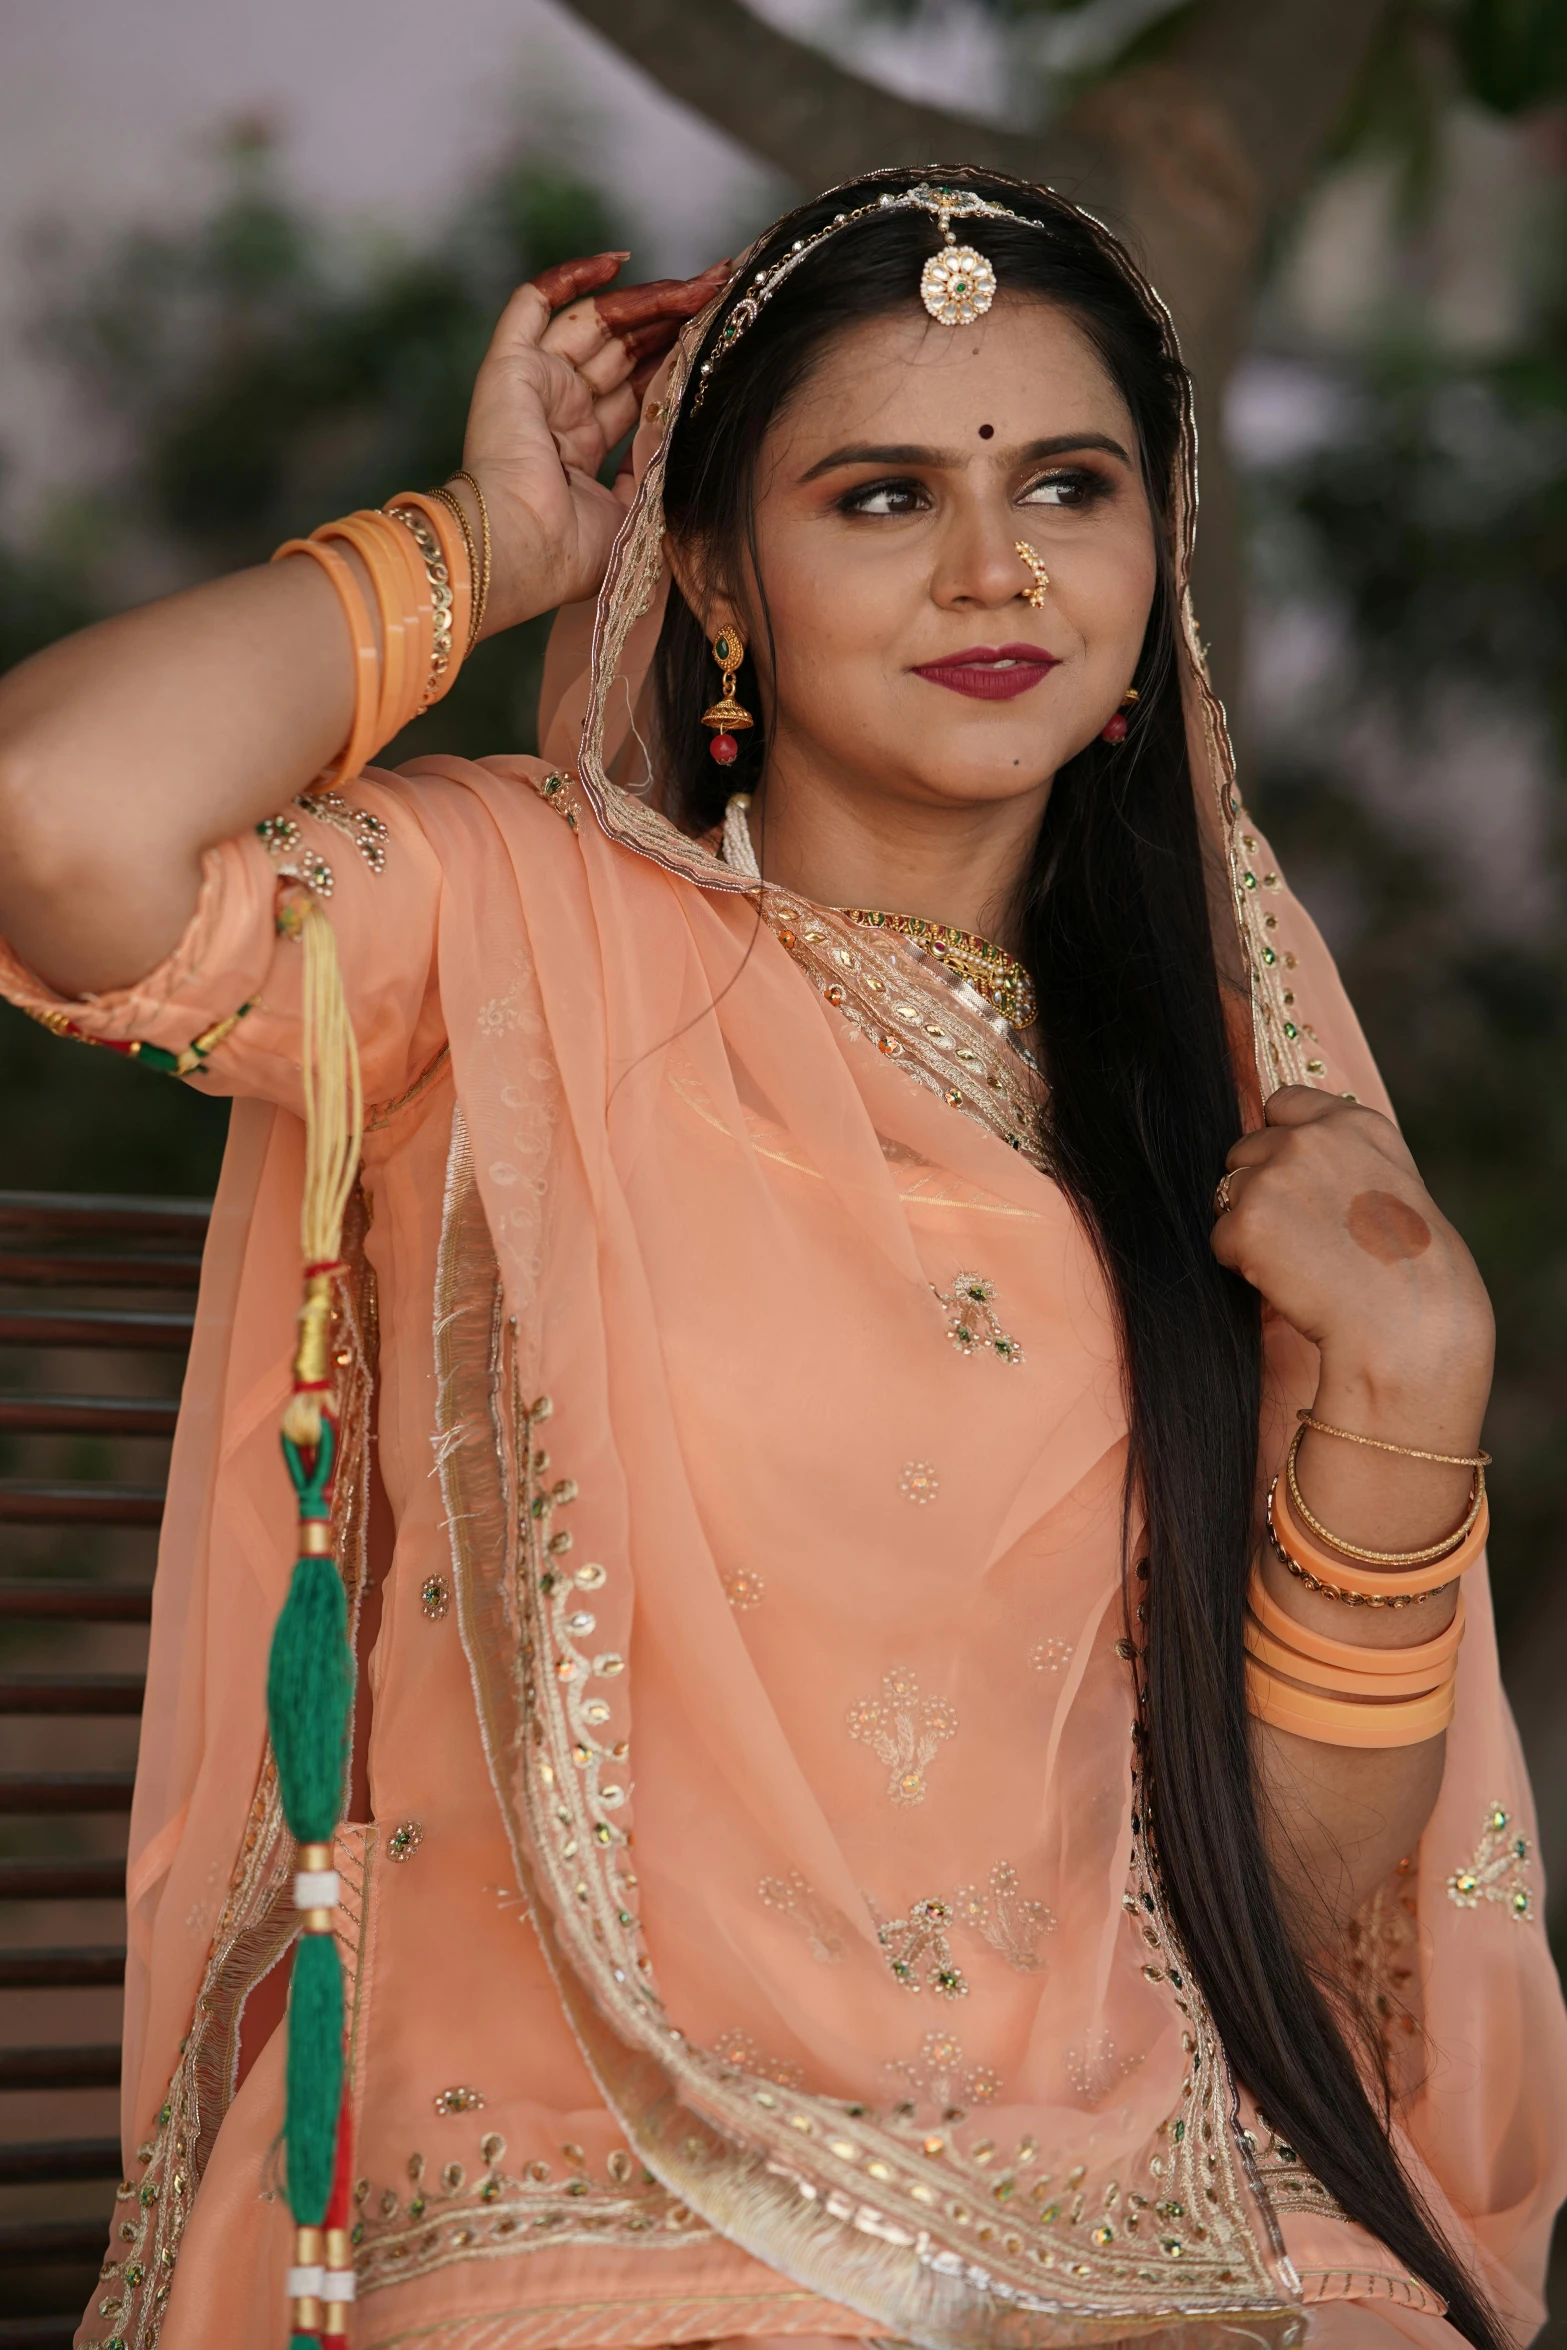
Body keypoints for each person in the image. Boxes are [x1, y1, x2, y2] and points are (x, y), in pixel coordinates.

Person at [0, 167, 1560, 2350]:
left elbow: (1288, 1891)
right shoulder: (509, 927)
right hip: (604, 2207)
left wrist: (1407, 1398)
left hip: (1149, 2205)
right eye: (882, 495)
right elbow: (57, 818)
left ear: (1156, 553)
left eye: (1069, 486)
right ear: (719, 566)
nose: (993, 569)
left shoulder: (1229, 1044)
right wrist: (490, 548)